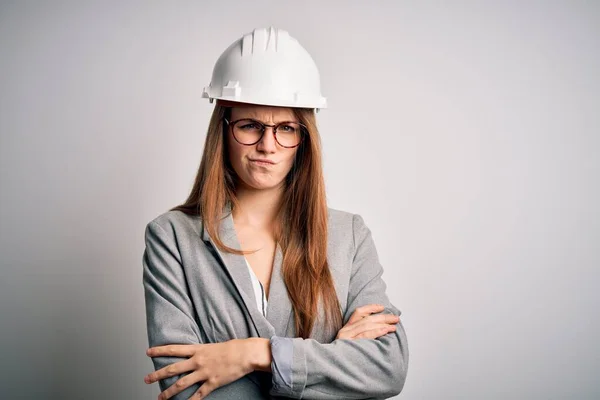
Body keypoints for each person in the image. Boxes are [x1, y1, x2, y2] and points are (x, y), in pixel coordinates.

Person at [142, 27, 409, 400]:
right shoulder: (170, 237)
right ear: (223, 130)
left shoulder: (349, 235)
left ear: (304, 139)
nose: (267, 145)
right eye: (250, 126)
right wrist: (332, 356)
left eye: (285, 128)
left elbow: (387, 368)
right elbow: (183, 386)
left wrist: (254, 354)